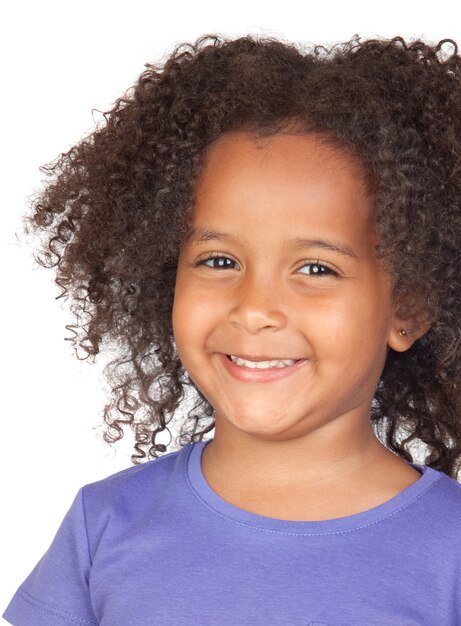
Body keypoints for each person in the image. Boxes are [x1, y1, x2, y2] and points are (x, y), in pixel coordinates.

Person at [4, 32, 461, 625]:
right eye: (219, 261)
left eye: (316, 268)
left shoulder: (450, 552)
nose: (254, 309)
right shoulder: (105, 525)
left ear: (409, 308)